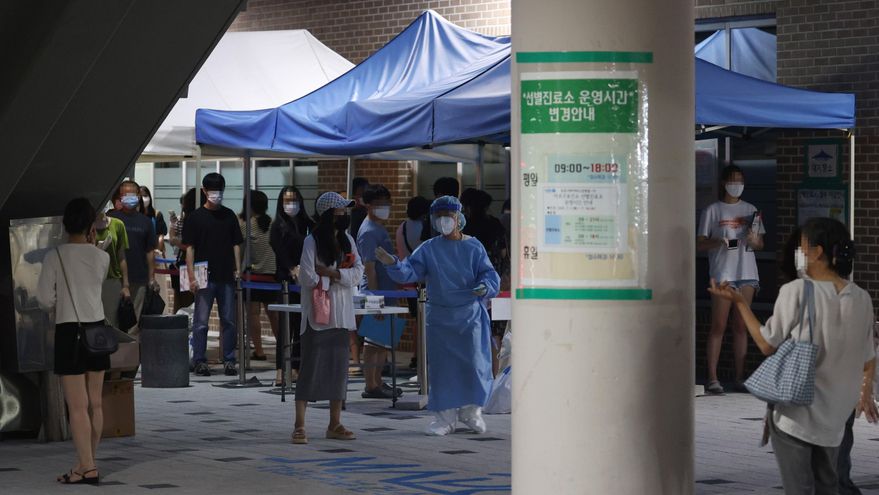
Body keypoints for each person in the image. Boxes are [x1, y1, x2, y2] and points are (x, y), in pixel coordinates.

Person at [709, 217, 876, 494]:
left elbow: (766, 343)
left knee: (799, 489)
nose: (799, 253)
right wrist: (865, 391)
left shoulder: (796, 291)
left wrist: (739, 302)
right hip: (834, 418)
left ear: (817, 252)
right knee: (828, 487)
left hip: (796, 416)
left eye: (802, 246)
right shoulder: (861, 298)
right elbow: (868, 357)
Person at [376, 195, 499, 436]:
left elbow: (488, 273)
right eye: (440, 217)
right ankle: (445, 418)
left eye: (449, 217)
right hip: (441, 319)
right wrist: (392, 263)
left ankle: (471, 412)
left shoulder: (473, 246)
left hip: (470, 317)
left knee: (475, 364)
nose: (444, 221)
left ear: (458, 218)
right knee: (443, 369)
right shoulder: (429, 249)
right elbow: (409, 272)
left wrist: (485, 286)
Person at [37, 198, 110, 485]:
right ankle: (85, 463)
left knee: (77, 407)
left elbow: (44, 299)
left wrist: (57, 302)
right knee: (96, 404)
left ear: (65, 224)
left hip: (70, 331)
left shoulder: (55, 255)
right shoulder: (101, 256)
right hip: (98, 330)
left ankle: (88, 467)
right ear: (91, 225)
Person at [292, 192, 363, 445]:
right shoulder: (311, 242)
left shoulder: (348, 241)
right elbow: (307, 277)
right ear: (327, 214)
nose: (344, 215)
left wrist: (332, 274)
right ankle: (299, 425)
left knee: (338, 371)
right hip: (318, 315)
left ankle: (335, 422)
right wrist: (331, 277)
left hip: (342, 314)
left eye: (346, 211)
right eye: (340, 211)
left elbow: (357, 274)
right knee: (310, 369)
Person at [697, 165, 765, 394]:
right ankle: (713, 377)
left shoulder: (751, 209)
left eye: (741, 180)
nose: (737, 184)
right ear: (724, 182)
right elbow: (699, 243)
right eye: (733, 180)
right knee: (718, 325)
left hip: (746, 271)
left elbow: (760, 244)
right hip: (723, 272)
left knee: (741, 325)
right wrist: (718, 241)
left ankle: (739, 377)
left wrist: (754, 239)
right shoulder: (712, 211)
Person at [183, 173, 243, 377]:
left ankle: (229, 359)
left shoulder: (229, 215)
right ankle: (199, 360)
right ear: (204, 191)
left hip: (226, 274)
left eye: (219, 191)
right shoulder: (195, 217)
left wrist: (238, 268)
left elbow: (236, 244)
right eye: (212, 191)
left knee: (229, 320)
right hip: (202, 275)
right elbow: (189, 248)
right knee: (200, 321)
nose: (216, 195)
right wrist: (191, 276)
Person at [356, 184, 401, 399]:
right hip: (378, 292)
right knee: (374, 340)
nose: (384, 207)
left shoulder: (378, 228)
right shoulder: (368, 232)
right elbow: (369, 268)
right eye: (379, 204)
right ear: (368, 205)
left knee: (383, 340)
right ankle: (371, 384)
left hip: (387, 291)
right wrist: (376, 300)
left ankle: (378, 381)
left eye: (386, 203)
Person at [270, 186, 314, 385]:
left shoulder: (307, 224)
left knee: (301, 326)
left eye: (294, 199)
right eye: (287, 200)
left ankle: (296, 367)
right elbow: (279, 251)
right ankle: (280, 369)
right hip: (286, 281)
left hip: (305, 281)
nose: (291, 204)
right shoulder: (278, 226)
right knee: (285, 327)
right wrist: (291, 268)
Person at [108, 180, 159, 334]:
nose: (129, 198)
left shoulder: (146, 221)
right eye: (125, 195)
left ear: (138, 196)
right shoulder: (111, 218)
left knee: (134, 320)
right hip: (114, 277)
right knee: (112, 317)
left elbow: (150, 251)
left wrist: (151, 277)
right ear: (119, 197)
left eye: (132, 194)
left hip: (139, 276)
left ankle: (129, 354)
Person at [238, 190, 279, 362]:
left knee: (253, 314)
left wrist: (238, 271)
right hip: (273, 275)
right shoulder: (274, 223)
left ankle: (260, 351)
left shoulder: (246, 225)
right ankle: (282, 346)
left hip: (253, 275)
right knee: (274, 315)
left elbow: (240, 251)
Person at [395, 195, 430, 370]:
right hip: (425, 281)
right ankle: (422, 355)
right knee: (425, 320)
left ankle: (416, 356)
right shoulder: (425, 228)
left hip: (408, 281)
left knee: (416, 318)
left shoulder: (401, 227)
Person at [94, 210, 130, 329]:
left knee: (112, 322)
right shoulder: (87, 225)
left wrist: (125, 285)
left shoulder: (118, 224)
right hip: (92, 280)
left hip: (112, 279)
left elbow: (121, 257)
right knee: (94, 321)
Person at [169, 188, 197, 313]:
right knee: (189, 302)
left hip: (187, 265)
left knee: (183, 302)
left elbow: (191, 246)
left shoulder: (190, 220)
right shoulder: (188, 220)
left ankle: (181, 327)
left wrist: (178, 244)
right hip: (192, 266)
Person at [138, 185, 168, 256]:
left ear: (150, 197)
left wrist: (157, 250)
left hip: (155, 252)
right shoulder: (135, 216)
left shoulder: (157, 214)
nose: (143, 199)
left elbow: (161, 235)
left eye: (145, 196)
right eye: (141, 196)